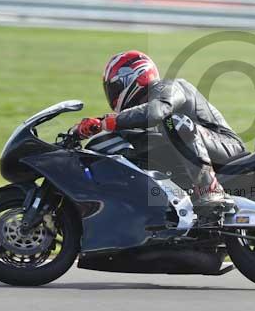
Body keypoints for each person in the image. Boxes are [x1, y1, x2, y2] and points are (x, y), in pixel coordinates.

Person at [75, 50, 246, 218]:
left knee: (174, 122)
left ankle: (211, 190)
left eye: (115, 88)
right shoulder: (142, 117)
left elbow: (157, 111)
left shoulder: (169, 86)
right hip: (202, 150)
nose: (112, 96)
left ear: (135, 77)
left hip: (227, 146)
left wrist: (107, 122)